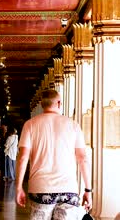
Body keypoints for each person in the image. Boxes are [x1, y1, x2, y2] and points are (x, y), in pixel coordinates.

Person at [16, 90, 92, 219]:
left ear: (41, 104)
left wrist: (18, 188)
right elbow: (83, 159)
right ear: (59, 103)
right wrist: (88, 190)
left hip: (40, 188)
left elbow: (22, 158)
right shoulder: (73, 125)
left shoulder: (30, 125)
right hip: (68, 189)